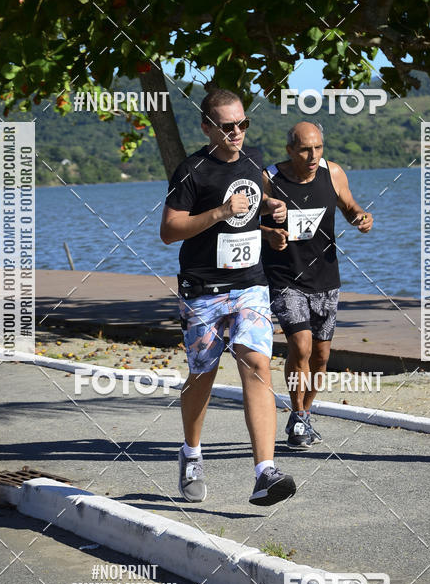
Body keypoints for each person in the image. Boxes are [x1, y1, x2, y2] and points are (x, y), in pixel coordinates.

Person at [160, 87, 297, 506]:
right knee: (203, 374)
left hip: (251, 285)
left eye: (242, 123)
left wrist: (273, 213)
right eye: (227, 126)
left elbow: (257, 201)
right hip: (203, 290)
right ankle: (191, 454)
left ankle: (264, 472)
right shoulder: (191, 171)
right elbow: (169, 231)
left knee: (257, 364)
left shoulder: (255, 159)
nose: (237, 132)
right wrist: (220, 212)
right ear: (207, 127)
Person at [261, 121, 373, 448]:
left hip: (326, 278)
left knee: (321, 357)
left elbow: (350, 208)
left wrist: (361, 219)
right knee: (301, 346)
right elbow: (244, 222)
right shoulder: (268, 179)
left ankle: (304, 416)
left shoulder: (333, 173)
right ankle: (297, 415)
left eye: (318, 148)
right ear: (290, 150)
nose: (313, 156)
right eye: (305, 149)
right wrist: (268, 233)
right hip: (285, 279)